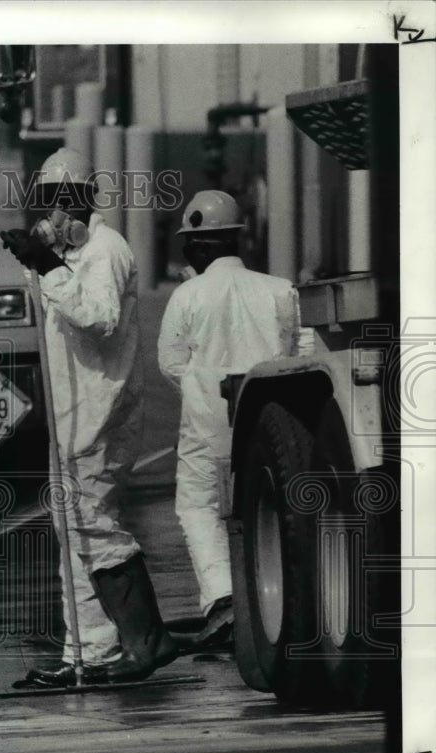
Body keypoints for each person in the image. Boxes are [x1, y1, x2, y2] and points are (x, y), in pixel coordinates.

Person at [3, 147, 177, 686]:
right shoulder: (73, 256)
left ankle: (148, 640)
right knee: (73, 529)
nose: (53, 215)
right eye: (47, 203)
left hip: (99, 414)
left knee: (94, 525)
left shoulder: (104, 249)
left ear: (83, 203)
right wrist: (46, 266)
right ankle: (89, 650)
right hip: (72, 414)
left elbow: (98, 319)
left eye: (63, 203)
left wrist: (50, 266)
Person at [158, 189, 301, 646]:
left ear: (198, 246)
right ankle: (272, 595)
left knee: (199, 508)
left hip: (207, 424)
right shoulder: (280, 290)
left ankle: (223, 602)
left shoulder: (187, 295)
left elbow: (170, 361)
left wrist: (202, 391)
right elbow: (299, 351)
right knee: (266, 506)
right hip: (268, 419)